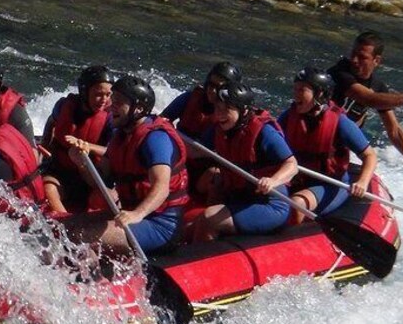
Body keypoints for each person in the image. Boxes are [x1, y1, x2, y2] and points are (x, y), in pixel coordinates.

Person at [63, 76, 189, 256]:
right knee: (66, 227)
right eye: (112, 100)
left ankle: (95, 281)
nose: (110, 106)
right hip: (129, 214)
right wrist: (82, 163)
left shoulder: (156, 139)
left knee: (83, 236)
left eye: (118, 102)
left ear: (137, 109)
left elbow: (162, 188)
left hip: (161, 225)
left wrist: (136, 214)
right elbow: (101, 183)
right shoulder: (120, 136)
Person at [328, 31, 403, 184]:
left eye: (362, 57)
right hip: (316, 138)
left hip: (338, 149)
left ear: (377, 60)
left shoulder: (378, 87)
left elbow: (394, 132)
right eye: (353, 54)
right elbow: (369, 98)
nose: (354, 60)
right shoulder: (340, 72)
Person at [193, 82, 298, 242]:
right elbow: (195, 150)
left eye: (226, 109)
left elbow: (292, 165)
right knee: (213, 181)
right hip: (240, 196)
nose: (219, 114)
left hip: (269, 203)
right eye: (217, 108)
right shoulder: (219, 128)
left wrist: (273, 180)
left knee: (208, 218)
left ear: (244, 111)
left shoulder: (264, 132)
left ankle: (201, 260)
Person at [279, 67, 378, 225]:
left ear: (319, 94)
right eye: (295, 89)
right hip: (298, 178)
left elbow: (369, 155)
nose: (295, 94)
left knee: (296, 204)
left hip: (330, 183)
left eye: (302, 90)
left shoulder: (340, 122)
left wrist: (363, 182)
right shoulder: (288, 117)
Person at [40, 65, 115, 213]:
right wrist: (45, 145)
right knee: (48, 189)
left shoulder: (110, 118)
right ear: (84, 91)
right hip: (61, 171)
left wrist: (88, 146)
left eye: (108, 95)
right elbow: (51, 122)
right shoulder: (64, 106)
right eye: (98, 94)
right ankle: (63, 220)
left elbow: (111, 151)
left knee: (102, 198)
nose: (104, 100)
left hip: (91, 175)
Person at [161, 62, 243, 196]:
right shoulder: (190, 98)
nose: (213, 90)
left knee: (214, 176)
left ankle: (208, 210)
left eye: (219, 87)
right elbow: (161, 121)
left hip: (205, 167)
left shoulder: (231, 117)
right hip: (178, 157)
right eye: (211, 84)